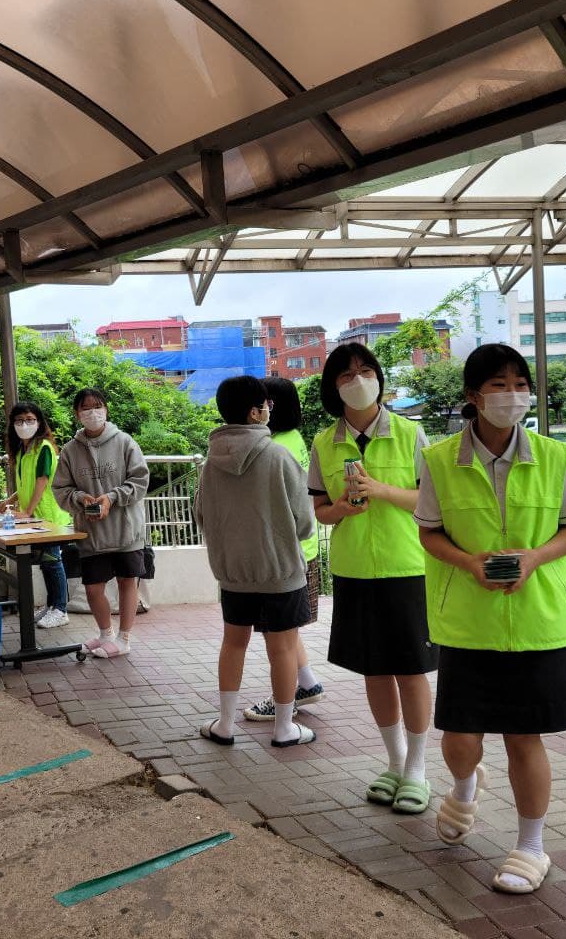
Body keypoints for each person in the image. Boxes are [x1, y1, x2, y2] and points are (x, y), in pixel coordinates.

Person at [416, 343, 566, 895]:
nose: (512, 394)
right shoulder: (440, 460)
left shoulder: (555, 456)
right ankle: (464, 790)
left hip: (536, 620)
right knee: (461, 735)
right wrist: (468, 563)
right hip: (468, 622)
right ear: (473, 396)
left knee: (524, 735)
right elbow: (429, 531)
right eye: (498, 384)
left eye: (520, 383)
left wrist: (533, 558)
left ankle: (531, 847)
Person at [308, 342, 436, 814]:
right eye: (346, 374)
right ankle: (395, 761)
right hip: (354, 568)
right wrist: (342, 507)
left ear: (380, 378)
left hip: (407, 566)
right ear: (333, 386)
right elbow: (321, 511)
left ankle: (419, 768)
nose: (357, 379)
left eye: (365, 370)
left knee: (412, 668)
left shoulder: (410, 433)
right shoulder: (324, 442)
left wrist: (381, 490)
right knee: (375, 669)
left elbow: (431, 502)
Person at [194, 376, 317, 748]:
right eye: (266, 404)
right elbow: (305, 523)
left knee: (234, 643)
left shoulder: (210, 463)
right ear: (255, 411)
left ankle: (225, 725)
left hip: (233, 574)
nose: (269, 410)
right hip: (280, 572)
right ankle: (283, 729)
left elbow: (201, 515)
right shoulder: (279, 456)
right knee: (281, 649)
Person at [243, 376, 326, 723]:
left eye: (262, 401)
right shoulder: (290, 439)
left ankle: (285, 701)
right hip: (299, 550)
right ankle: (305, 685)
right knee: (285, 633)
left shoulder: (277, 446)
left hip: (284, 553)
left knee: (278, 636)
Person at [52, 387, 149, 658]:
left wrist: (112, 497)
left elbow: (140, 480)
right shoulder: (71, 451)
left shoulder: (125, 442)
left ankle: (124, 638)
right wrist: (82, 499)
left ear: (106, 409)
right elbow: (60, 489)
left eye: (97, 406)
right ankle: (106, 634)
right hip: (92, 533)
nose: (92, 412)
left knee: (127, 582)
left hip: (126, 529)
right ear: (77, 413)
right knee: (93, 588)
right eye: (86, 408)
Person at [0, 401, 72, 629]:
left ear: (39, 423)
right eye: (19, 421)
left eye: (30, 420)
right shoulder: (22, 450)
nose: (25, 425)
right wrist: (11, 500)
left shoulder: (44, 449)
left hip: (48, 515)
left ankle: (60, 609)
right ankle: (52, 606)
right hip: (33, 516)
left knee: (53, 561)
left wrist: (27, 511)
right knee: (46, 563)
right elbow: (26, 484)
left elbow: (42, 481)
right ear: (13, 424)